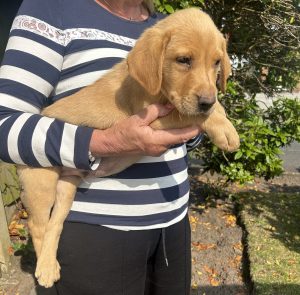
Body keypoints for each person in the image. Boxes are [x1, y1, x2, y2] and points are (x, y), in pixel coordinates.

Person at [0, 0, 203, 294]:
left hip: (174, 221)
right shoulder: (50, 10)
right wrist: (104, 142)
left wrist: (193, 126)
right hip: (92, 233)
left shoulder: (166, 28)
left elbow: (185, 120)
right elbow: (5, 124)